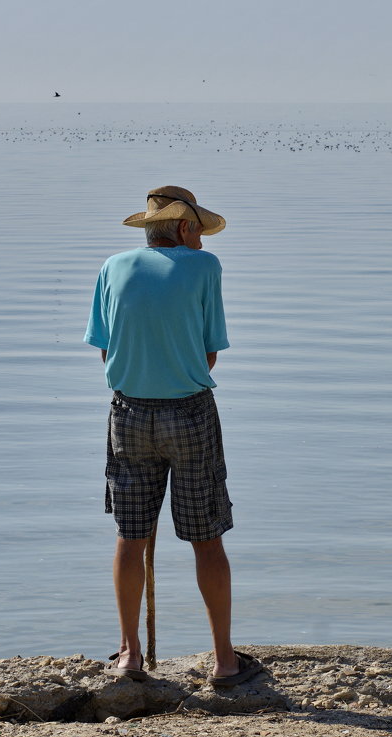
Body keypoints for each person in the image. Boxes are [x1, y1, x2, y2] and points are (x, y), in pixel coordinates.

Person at [84, 186, 262, 687]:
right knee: (207, 538)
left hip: (128, 413)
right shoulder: (204, 268)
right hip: (189, 414)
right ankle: (225, 663)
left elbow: (105, 351)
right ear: (184, 228)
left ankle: (128, 654)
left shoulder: (112, 266)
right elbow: (209, 354)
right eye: (198, 232)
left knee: (129, 536)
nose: (202, 242)